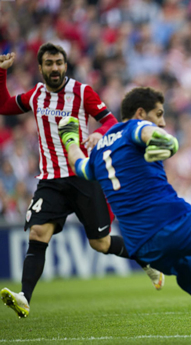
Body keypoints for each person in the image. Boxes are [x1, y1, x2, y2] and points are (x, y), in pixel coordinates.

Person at [57, 86, 191, 341]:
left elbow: (79, 166)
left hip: (144, 248)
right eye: (158, 114)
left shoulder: (98, 151)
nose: (162, 121)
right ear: (140, 113)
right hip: (174, 222)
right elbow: (152, 134)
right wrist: (166, 141)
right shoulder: (135, 128)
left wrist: (70, 137)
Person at [0, 43, 163, 319]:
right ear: (40, 68)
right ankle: (24, 297)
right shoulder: (36, 96)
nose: (55, 68)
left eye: (59, 63)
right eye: (49, 63)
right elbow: (4, 105)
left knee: (99, 243)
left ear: (66, 65)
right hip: (51, 180)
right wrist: (2, 74)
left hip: (84, 175)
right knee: (38, 233)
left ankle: (144, 258)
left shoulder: (81, 92)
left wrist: (99, 133)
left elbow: (111, 120)